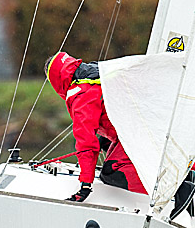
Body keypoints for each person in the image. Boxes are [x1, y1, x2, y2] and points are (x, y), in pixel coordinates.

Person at [45, 51, 146, 202]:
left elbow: (86, 143)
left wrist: (85, 185)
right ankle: (187, 182)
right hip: (149, 127)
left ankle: (173, 188)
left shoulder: (80, 94)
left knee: (110, 173)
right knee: (105, 143)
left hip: (138, 134)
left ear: (56, 79)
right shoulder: (98, 73)